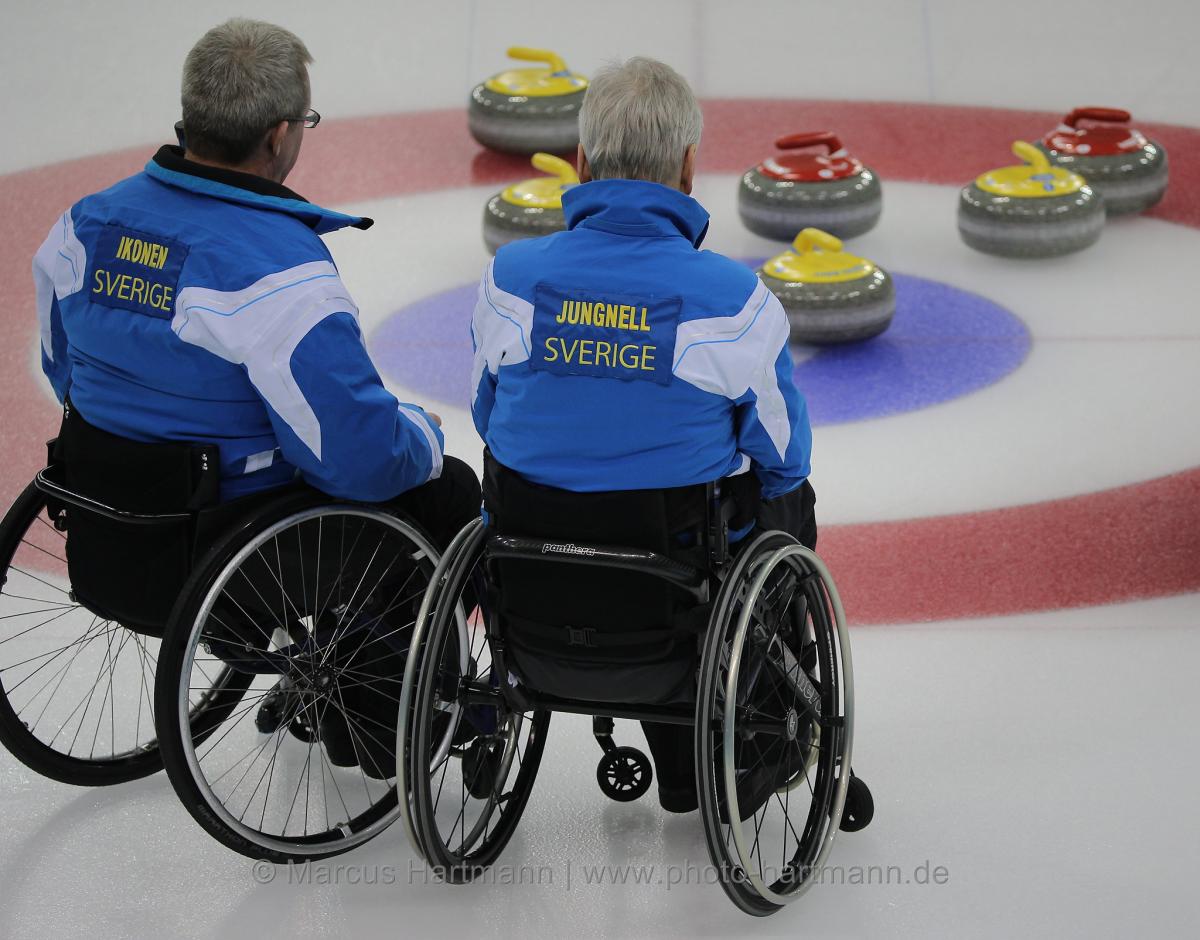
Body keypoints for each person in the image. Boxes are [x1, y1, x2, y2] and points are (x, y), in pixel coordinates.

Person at [31, 18, 480, 776]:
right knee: (445, 492)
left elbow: (61, 368)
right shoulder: (278, 274)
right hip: (226, 549)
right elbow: (358, 461)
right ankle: (382, 727)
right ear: (277, 136)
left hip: (108, 517)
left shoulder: (85, 223)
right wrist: (424, 439)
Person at [469, 57, 816, 813]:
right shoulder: (731, 299)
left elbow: (487, 418)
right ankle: (743, 748)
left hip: (531, 589)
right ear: (688, 169)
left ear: (584, 162)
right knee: (785, 502)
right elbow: (783, 456)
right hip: (672, 595)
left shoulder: (512, 277)